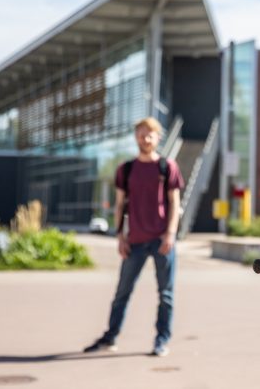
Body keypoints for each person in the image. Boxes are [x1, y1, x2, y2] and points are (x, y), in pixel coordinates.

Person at [84, 117, 184, 357]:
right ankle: (110, 337)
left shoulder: (167, 167)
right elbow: (119, 206)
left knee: (166, 295)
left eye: (150, 134)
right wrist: (120, 236)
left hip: (162, 240)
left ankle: (161, 340)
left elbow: (174, 203)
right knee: (122, 293)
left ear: (158, 138)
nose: (145, 138)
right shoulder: (125, 169)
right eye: (141, 133)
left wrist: (170, 234)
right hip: (135, 241)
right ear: (136, 137)